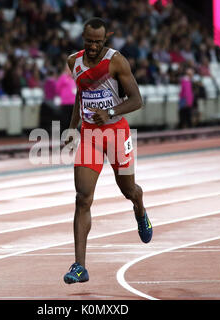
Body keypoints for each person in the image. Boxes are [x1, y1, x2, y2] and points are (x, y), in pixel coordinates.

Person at [62, 17, 153, 284]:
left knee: (128, 189)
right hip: (90, 135)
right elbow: (81, 93)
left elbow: (137, 100)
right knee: (82, 198)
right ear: (83, 37)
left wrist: (110, 111)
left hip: (116, 132)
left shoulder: (116, 61)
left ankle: (139, 207)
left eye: (98, 42)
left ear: (105, 39)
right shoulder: (73, 62)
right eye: (89, 41)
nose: (93, 46)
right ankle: (80, 266)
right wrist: (71, 127)